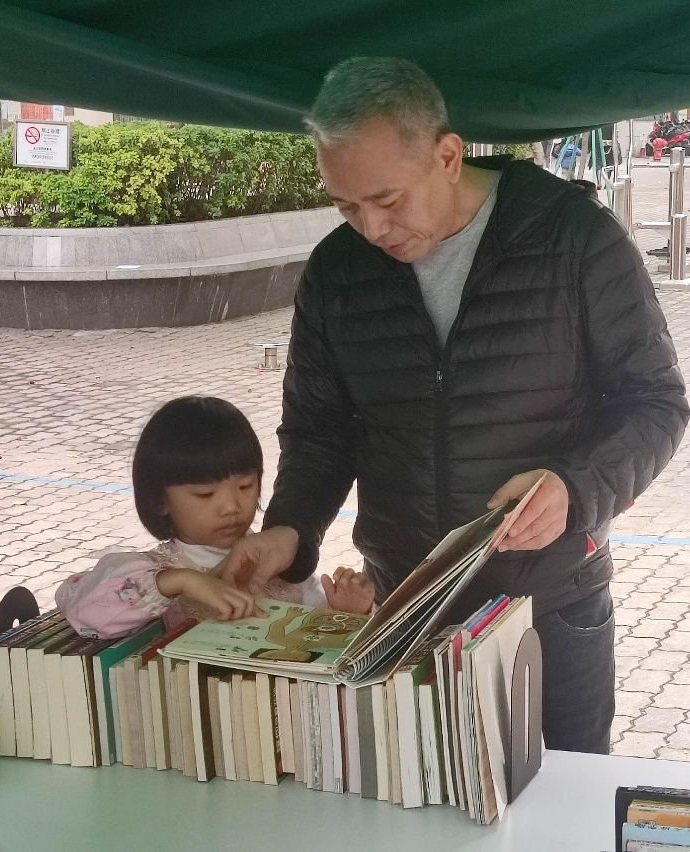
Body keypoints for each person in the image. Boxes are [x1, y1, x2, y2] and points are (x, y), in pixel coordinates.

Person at [223, 57, 688, 755]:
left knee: (561, 798)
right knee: (422, 793)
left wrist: (575, 488)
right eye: (346, 206)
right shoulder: (336, 273)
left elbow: (657, 403)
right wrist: (290, 530)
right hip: (405, 604)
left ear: (447, 155)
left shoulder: (573, 237)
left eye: (388, 199)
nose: (372, 227)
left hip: (551, 606)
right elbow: (319, 433)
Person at [55, 396, 374, 639]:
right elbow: (83, 611)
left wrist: (344, 612)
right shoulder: (155, 571)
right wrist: (183, 581)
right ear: (159, 500)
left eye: (245, 486)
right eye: (206, 494)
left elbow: (310, 638)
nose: (231, 507)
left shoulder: (274, 563)